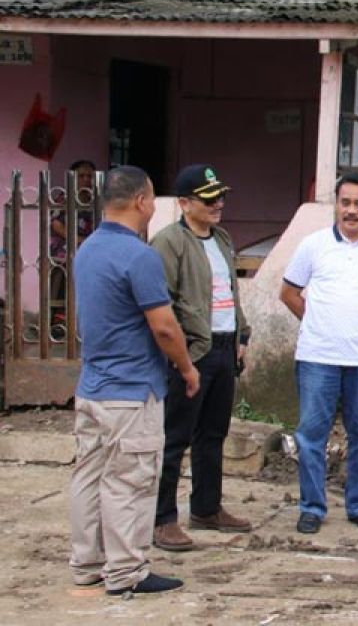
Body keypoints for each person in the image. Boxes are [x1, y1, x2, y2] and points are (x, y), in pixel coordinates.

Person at [68, 165, 200, 596]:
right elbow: (163, 326)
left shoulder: (87, 250)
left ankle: (88, 563)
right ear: (143, 201)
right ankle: (126, 571)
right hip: (130, 390)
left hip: (92, 388)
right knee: (130, 480)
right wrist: (186, 367)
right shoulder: (139, 255)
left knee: (89, 477)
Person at [279, 172, 358, 534]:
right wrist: (316, 320)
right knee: (311, 435)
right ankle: (312, 508)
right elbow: (288, 292)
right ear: (336, 204)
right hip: (317, 358)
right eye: (345, 202)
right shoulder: (312, 246)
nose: (351, 211)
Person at [151, 164, 253, 552]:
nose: (218, 204)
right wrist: (180, 354)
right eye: (208, 199)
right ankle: (162, 520)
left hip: (225, 348)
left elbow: (231, 292)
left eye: (220, 196)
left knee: (213, 433)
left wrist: (241, 334)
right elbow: (165, 303)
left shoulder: (222, 238)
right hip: (193, 350)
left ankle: (207, 507)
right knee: (174, 437)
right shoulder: (168, 243)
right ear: (183, 203)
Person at [50, 159, 97, 325]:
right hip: (64, 249)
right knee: (61, 280)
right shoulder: (64, 197)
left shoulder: (97, 200)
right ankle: (57, 323)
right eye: (81, 176)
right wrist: (78, 240)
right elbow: (56, 224)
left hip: (90, 250)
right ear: (73, 177)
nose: (85, 180)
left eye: (89, 176)